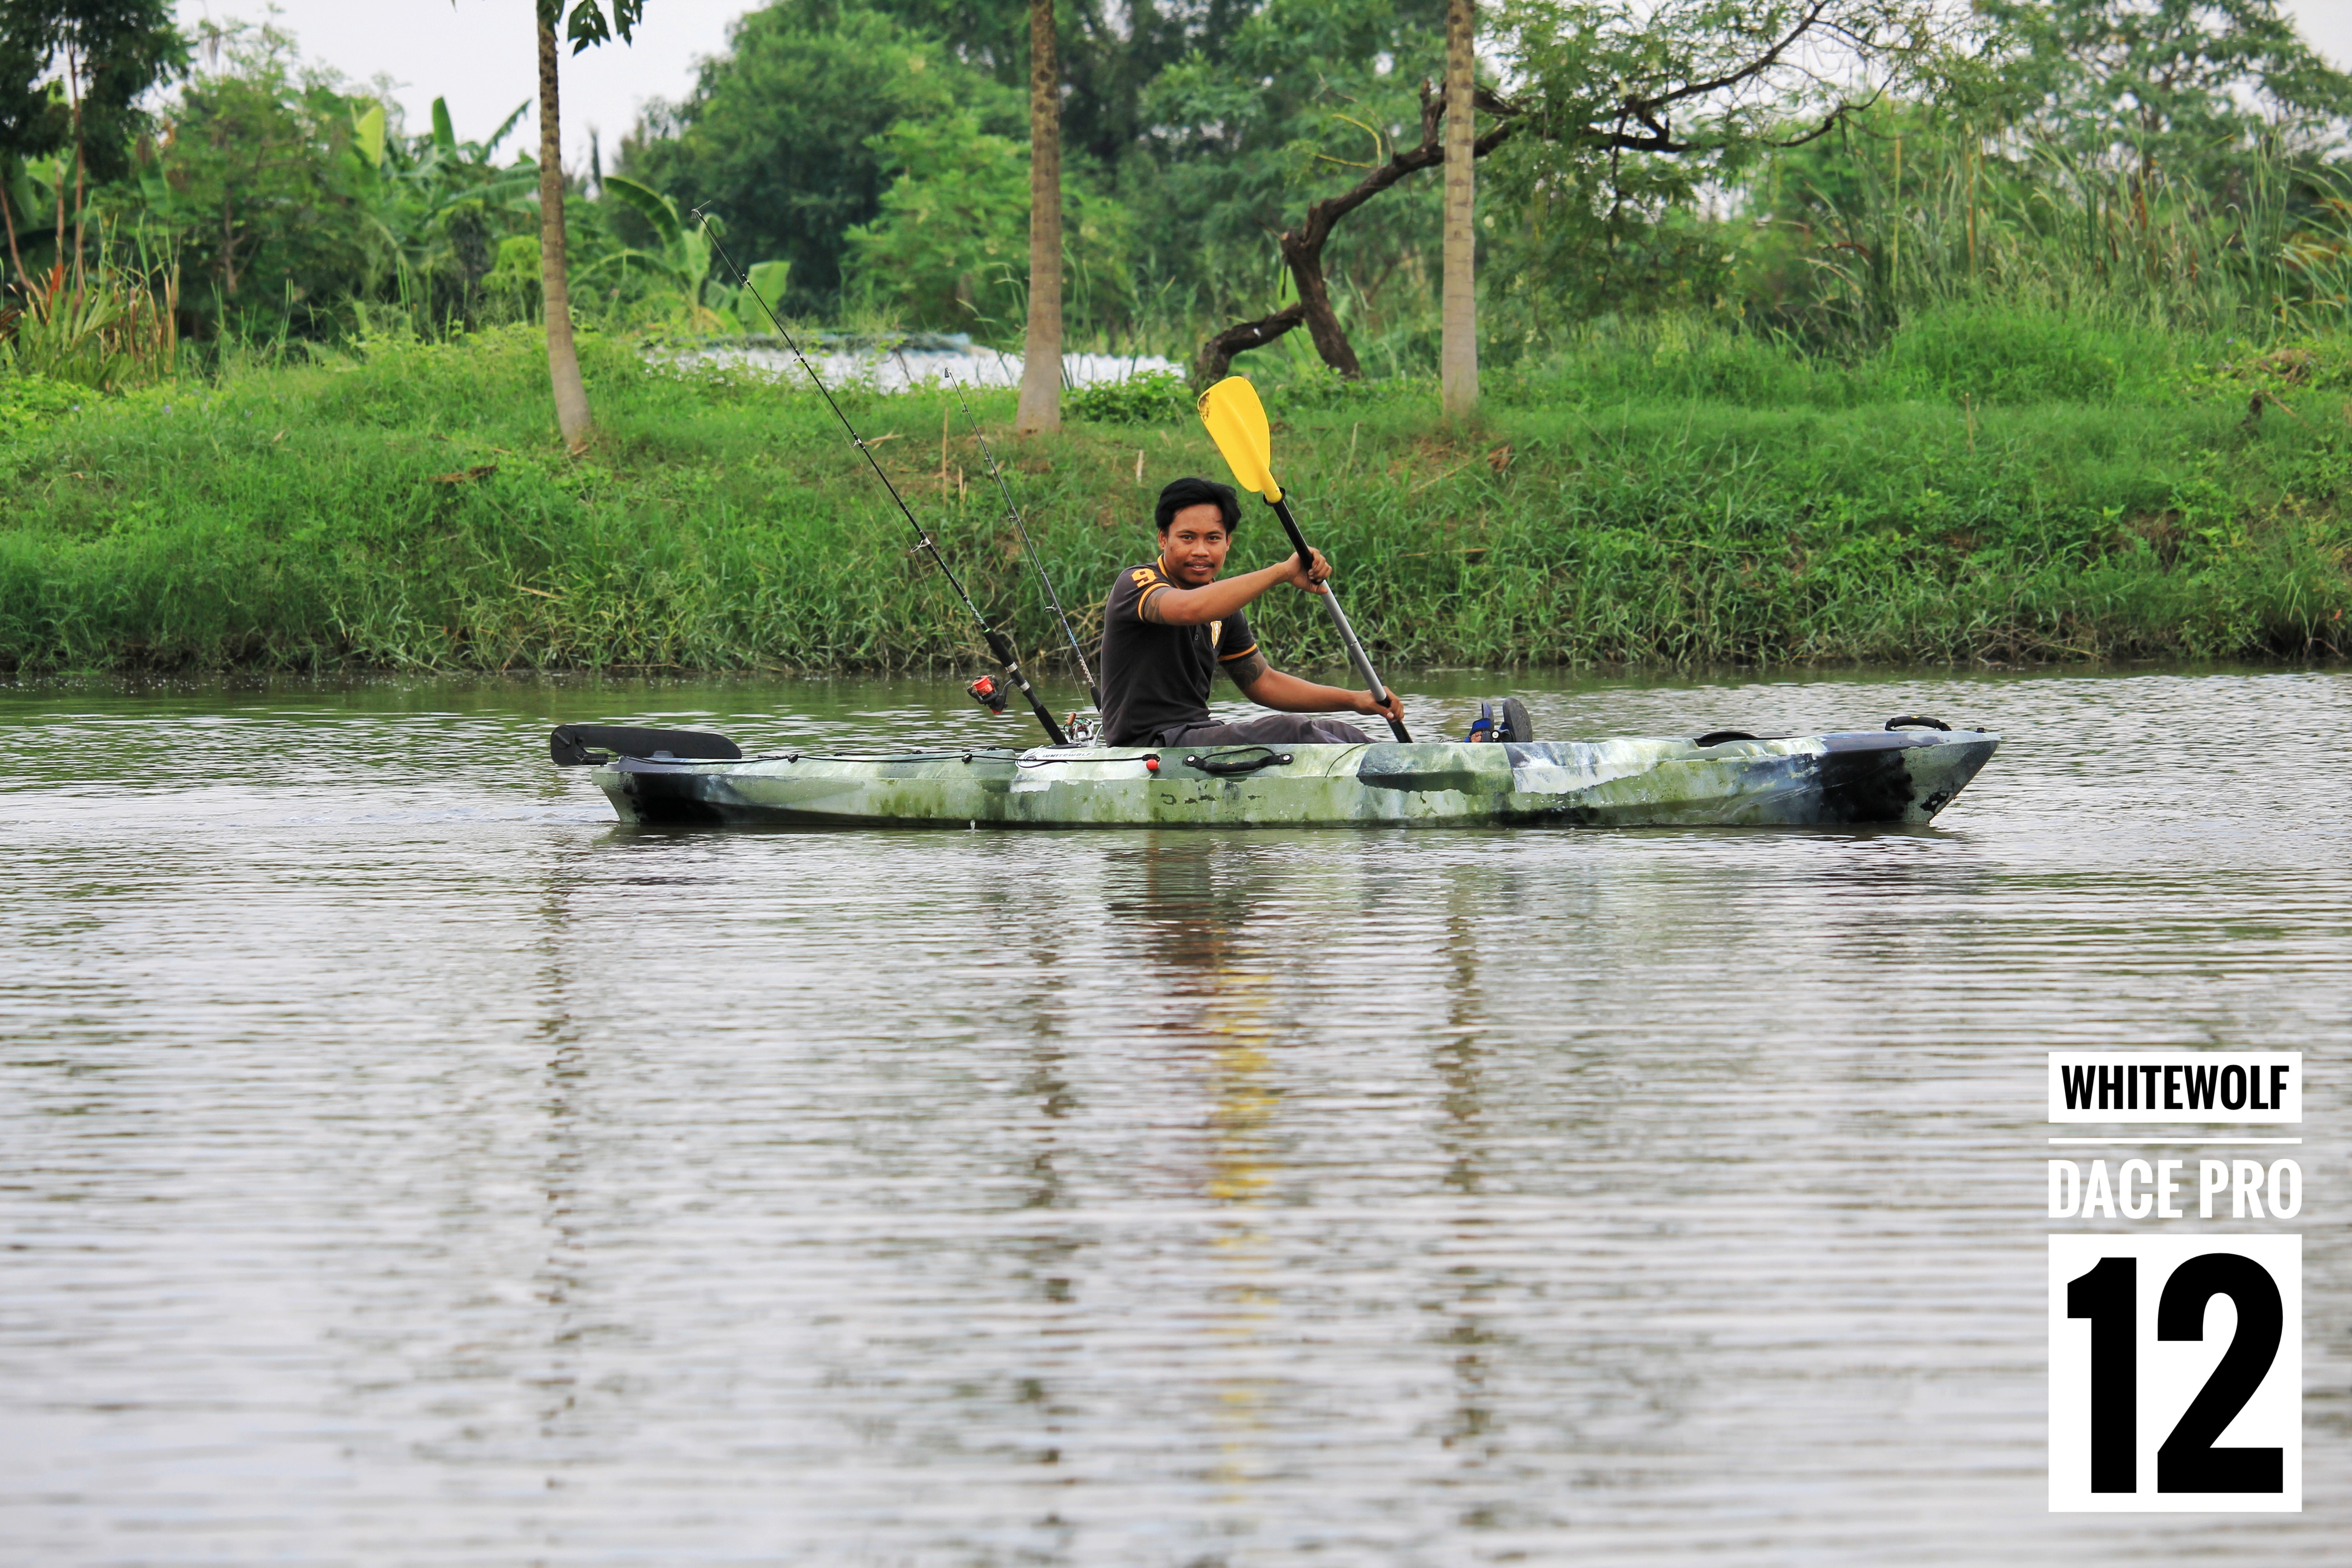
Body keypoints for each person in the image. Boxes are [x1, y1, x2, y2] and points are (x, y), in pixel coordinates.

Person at [1096, 476, 1406, 748]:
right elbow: (1189, 609)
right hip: (1148, 745)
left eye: (1213, 539)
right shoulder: (1138, 583)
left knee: (1336, 730)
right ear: (1164, 538)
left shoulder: (1224, 610)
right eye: (1187, 538)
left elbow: (1264, 683)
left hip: (1195, 737)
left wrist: (1355, 700)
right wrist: (1281, 572)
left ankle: (1405, 767)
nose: (1201, 551)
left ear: (1228, 542)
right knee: (1289, 731)